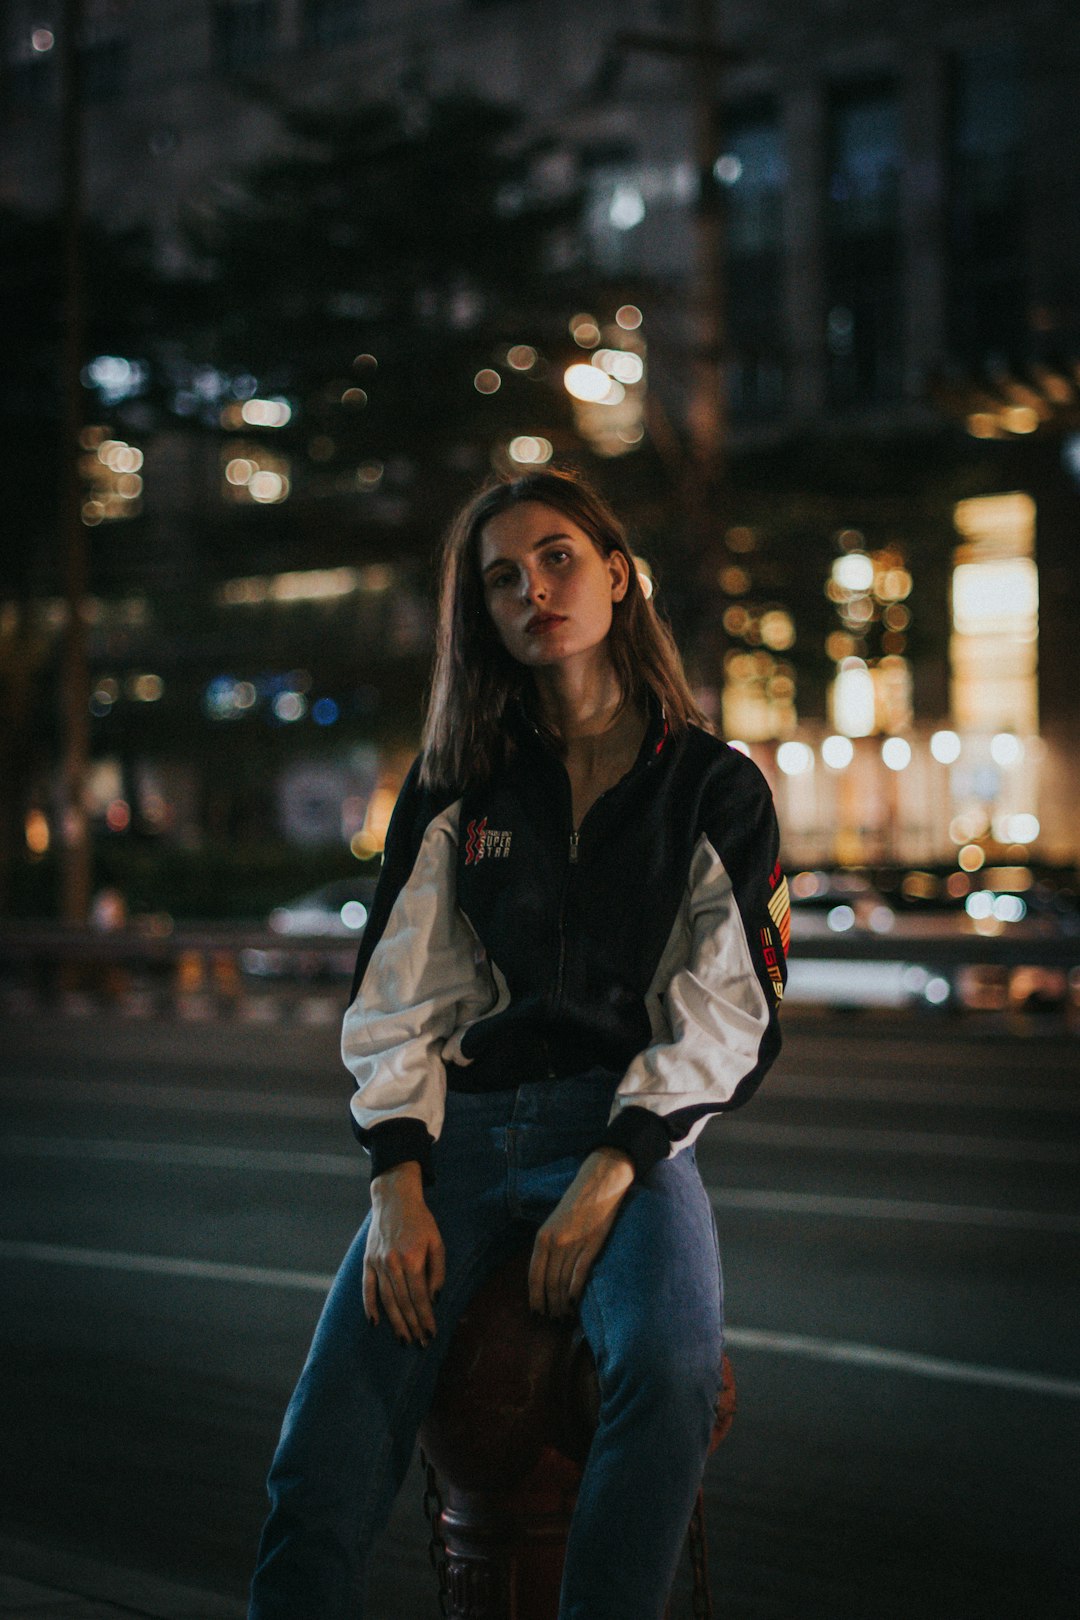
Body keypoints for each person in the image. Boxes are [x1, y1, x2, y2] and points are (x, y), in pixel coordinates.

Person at [248, 468, 789, 1620]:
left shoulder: (714, 789)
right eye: (502, 579)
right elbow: (398, 998)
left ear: (616, 575)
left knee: (673, 1374)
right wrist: (397, 1181)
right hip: (460, 1138)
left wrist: (615, 1168)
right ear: (480, 615)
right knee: (321, 1449)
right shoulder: (457, 786)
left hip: (622, 1136)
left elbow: (732, 1006)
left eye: (556, 559)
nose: (533, 590)